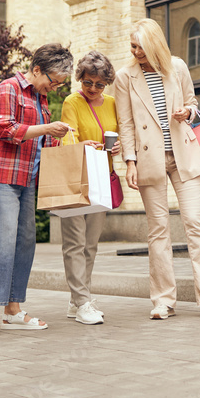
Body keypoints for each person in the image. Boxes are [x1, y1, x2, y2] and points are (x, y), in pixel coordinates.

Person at [114, 19, 200, 320]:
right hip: (149, 158)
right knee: (158, 229)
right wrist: (129, 162)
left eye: (139, 46)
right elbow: (125, 124)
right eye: (132, 46)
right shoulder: (125, 77)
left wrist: (187, 112)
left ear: (153, 44)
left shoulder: (177, 67)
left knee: (195, 221)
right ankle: (163, 300)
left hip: (183, 154)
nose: (134, 51)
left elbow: (192, 103)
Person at [0, 43, 74, 337]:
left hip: (27, 180)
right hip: (0, 176)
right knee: (0, 243)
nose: (55, 86)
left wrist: (73, 144)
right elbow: (6, 130)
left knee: (25, 244)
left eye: (60, 83)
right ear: (36, 69)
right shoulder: (8, 88)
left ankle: (12, 309)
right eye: (53, 80)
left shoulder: (42, 99)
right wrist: (47, 129)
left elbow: (45, 144)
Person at [58, 51, 121, 325]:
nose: (93, 89)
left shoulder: (112, 103)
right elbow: (67, 139)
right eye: (88, 83)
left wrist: (119, 147)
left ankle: (77, 301)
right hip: (77, 178)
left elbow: (121, 133)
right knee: (74, 243)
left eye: (99, 84)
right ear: (80, 80)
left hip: (102, 178)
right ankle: (83, 302)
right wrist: (80, 145)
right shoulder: (72, 102)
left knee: (91, 244)